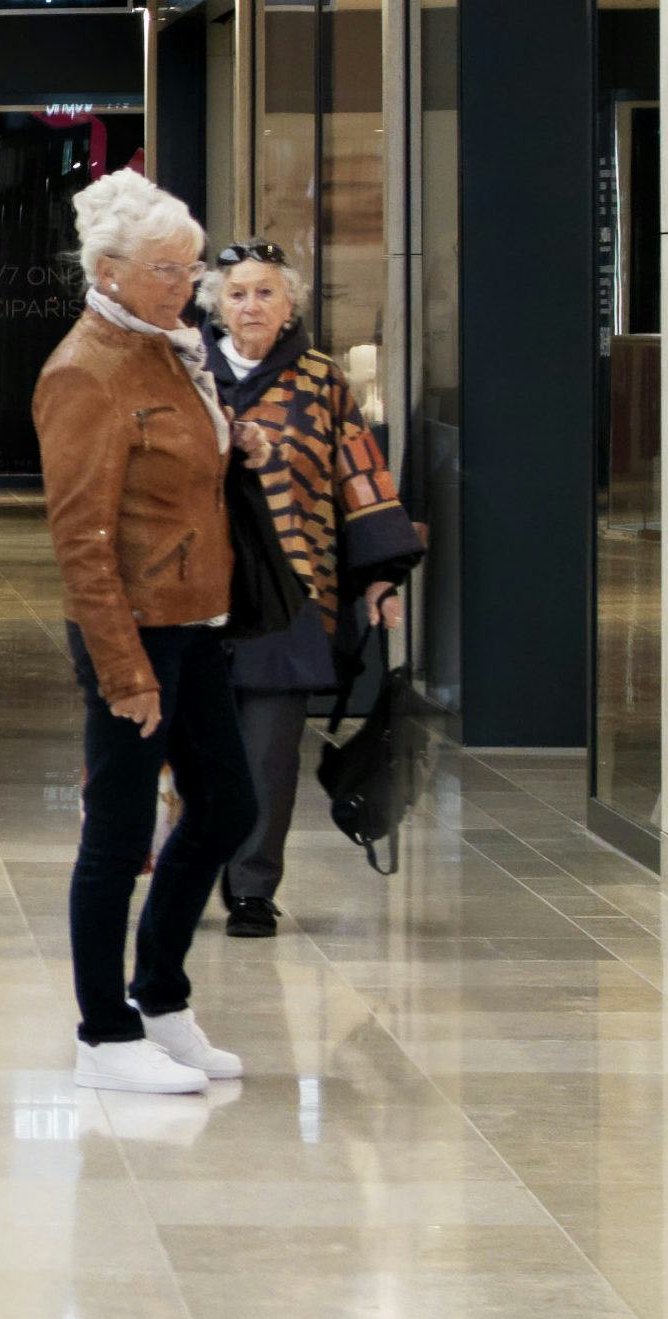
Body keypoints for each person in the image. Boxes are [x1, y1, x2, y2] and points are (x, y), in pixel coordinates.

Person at [39, 167, 249, 1093]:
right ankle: (102, 1031)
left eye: (192, 268)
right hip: (137, 631)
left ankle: (159, 997)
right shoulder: (86, 370)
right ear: (110, 270)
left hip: (197, 620)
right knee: (119, 835)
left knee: (226, 807)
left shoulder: (170, 349)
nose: (187, 285)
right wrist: (124, 672)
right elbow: (82, 542)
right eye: (169, 269)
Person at [192, 249, 404, 938]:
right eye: (236, 293)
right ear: (213, 303)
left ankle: (252, 887)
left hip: (289, 597)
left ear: (290, 304)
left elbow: (360, 475)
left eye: (264, 292)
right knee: (191, 751)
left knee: (267, 755)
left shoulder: (321, 381)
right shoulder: (184, 370)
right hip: (193, 590)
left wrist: (381, 573)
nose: (249, 305)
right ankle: (188, 879)